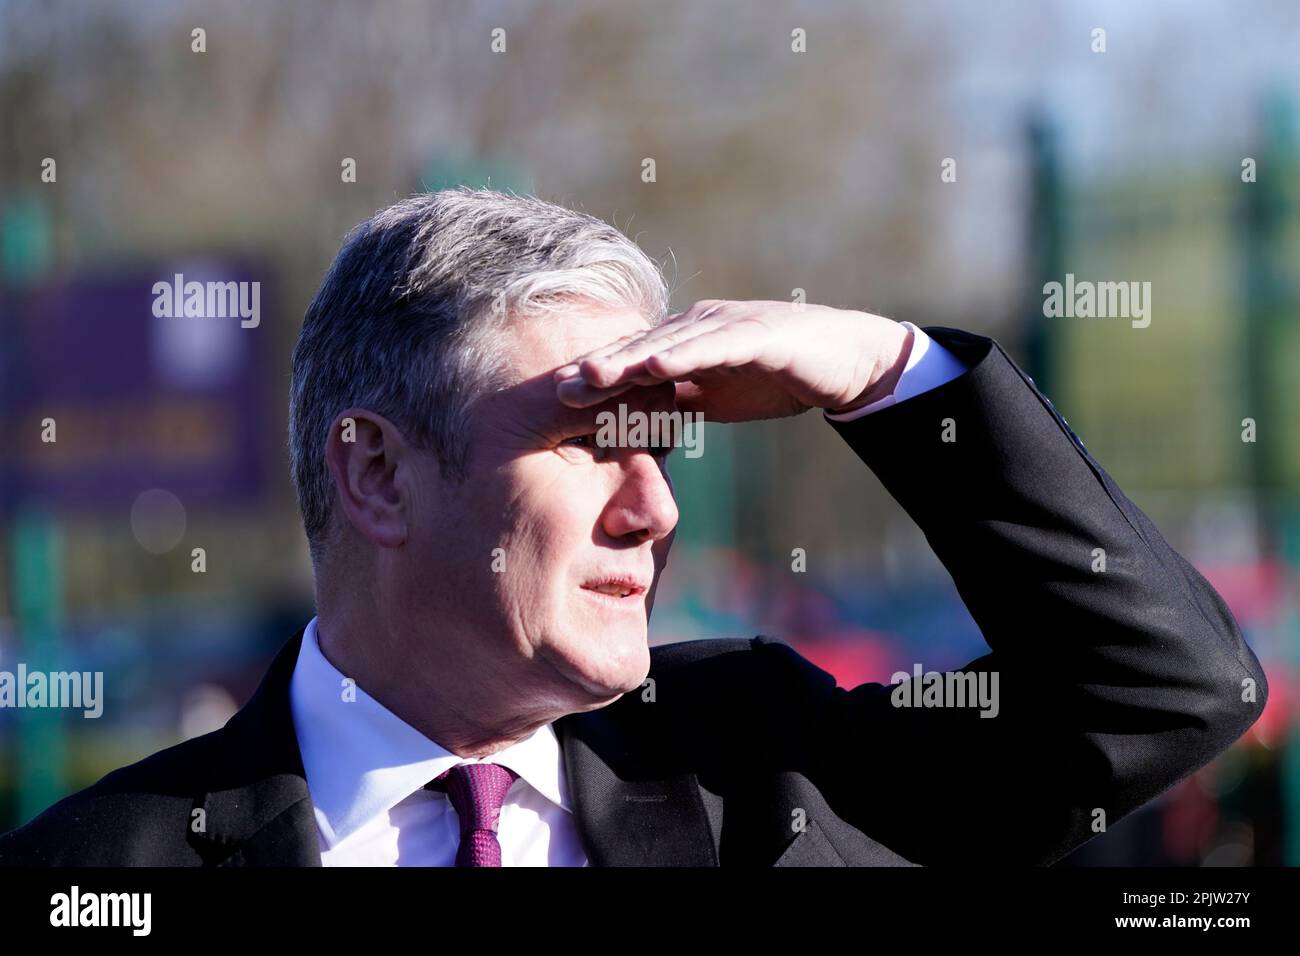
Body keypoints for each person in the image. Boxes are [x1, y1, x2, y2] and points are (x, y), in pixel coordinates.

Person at [0, 188, 1267, 866]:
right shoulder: (98, 871)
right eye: (592, 438)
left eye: (661, 445)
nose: (653, 504)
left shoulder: (767, 766)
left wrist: (892, 374)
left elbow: (1163, 690)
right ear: (377, 475)